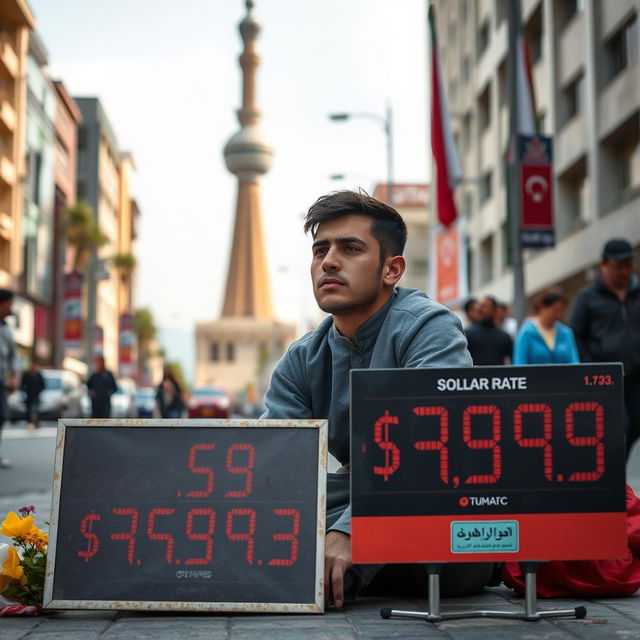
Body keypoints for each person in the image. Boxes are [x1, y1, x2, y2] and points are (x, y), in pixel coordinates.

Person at [262, 191, 495, 608]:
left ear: (392, 269)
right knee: (268, 515)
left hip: (441, 492)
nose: (328, 261)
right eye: (320, 250)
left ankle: (334, 565)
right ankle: (334, 564)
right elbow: (278, 467)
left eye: (350, 248)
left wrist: (355, 529)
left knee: (435, 513)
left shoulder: (429, 328)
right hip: (355, 494)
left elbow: (431, 447)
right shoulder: (302, 357)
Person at [570, 238, 640, 458]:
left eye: (628, 265)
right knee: (618, 427)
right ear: (603, 264)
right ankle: (612, 476)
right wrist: (591, 367)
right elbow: (576, 335)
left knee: (636, 425)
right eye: (618, 266)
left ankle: (616, 472)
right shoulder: (587, 298)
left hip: (637, 375)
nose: (624, 271)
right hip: (606, 378)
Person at [513, 290, 579, 365]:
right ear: (543, 307)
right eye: (555, 310)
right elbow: (520, 363)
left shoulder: (566, 332)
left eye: (561, 311)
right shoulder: (527, 332)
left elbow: (574, 362)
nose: (558, 315)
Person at [464, 296, 513, 365]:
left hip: (497, 375)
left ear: (494, 310)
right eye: (480, 306)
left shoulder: (504, 337)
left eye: (484, 306)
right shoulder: (467, 334)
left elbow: (513, 362)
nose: (480, 309)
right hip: (475, 375)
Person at [0, 289, 18, 468]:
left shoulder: (6, 328)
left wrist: (14, 376)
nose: (11, 307)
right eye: (10, 304)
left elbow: (14, 355)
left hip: (2, 382)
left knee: (2, 416)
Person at [20, 359, 45, 429]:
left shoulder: (38, 374)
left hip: (36, 395)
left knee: (36, 409)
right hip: (29, 395)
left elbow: (42, 385)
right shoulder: (26, 374)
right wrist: (24, 391)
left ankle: (36, 422)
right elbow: (22, 384)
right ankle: (29, 423)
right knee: (28, 410)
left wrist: (39, 391)